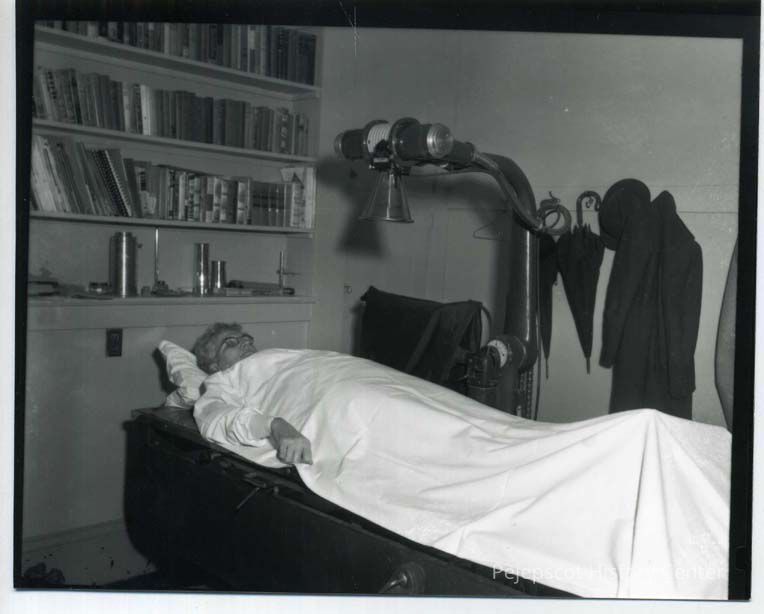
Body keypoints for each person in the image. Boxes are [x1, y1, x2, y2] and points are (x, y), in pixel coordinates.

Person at [192, 322, 312, 465]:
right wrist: (272, 425)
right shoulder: (220, 383)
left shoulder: (277, 362)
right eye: (230, 343)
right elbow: (219, 420)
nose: (245, 343)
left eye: (247, 340)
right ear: (214, 365)